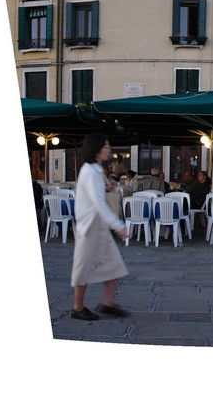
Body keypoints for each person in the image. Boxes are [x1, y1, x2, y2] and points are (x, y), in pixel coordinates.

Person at [69, 134, 130, 321]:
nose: (109, 149)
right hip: (90, 228)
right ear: (97, 149)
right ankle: (77, 308)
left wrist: (106, 188)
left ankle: (107, 302)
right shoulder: (90, 171)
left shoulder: (94, 169)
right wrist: (118, 225)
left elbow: (93, 194)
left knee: (115, 265)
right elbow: (98, 204)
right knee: (83, 268)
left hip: (98, 227)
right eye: (106, 146)